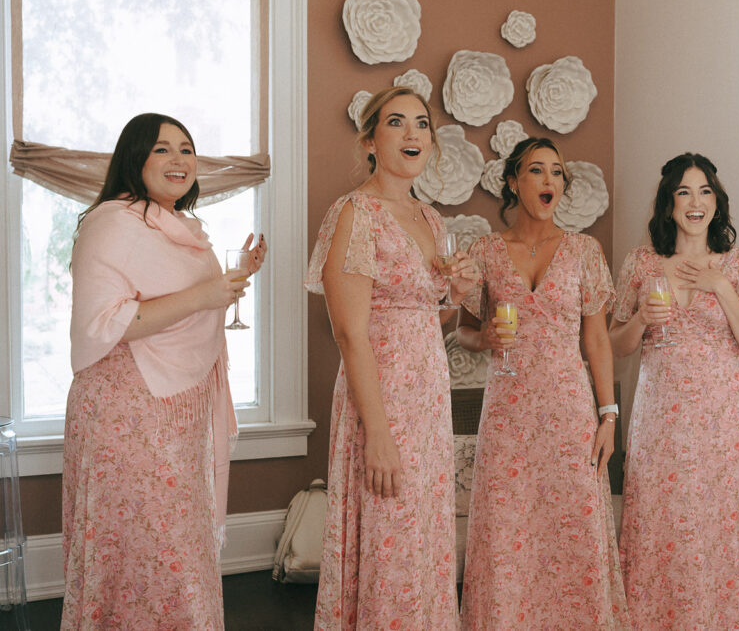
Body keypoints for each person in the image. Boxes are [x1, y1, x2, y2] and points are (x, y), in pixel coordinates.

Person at [62, 112, 267, 629]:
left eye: (187, 149)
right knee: (143, 546)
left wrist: (232, 274)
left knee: (178, 543)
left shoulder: (183, 231)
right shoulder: (112, 222)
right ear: (135, 157)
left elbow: (190, 309)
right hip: (127, 410)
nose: (179, 159)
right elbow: (102, 322)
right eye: (162, 149)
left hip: (176, 412)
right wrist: (206, 292)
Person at [304, 86, 476, 630]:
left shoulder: (431, 219)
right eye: (396, 122)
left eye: (421, 124)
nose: (412, 134)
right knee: (390, 532)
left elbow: (428, 317)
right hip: (380, 402)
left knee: (425, 535)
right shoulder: (354, 213)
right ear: (371, 140)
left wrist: (456, 293)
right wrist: (377, 432)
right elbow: (350, 333)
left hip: (428, 398)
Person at [456, 137, 629, 629]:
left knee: (572, 529)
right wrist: (484, 336)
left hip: (569, 412)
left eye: (557, 172)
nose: (549, 180)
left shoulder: (583, 251)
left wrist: (608, 416)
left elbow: (596, 341)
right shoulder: (486, 251)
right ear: (513, 182)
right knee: (508, 528)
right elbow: (462, 331)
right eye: (537, 170)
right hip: (507, 414)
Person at [609, 152, 739, 629]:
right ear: (668, 204)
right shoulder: (641, 263)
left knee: (723, 530)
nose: (695, 202)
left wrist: (720, 286)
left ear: (717, 204)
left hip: (726, 422)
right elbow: (615, 345)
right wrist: (641, 319)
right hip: (660, 421)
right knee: (662, 530)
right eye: (684, 192)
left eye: (704, 192)